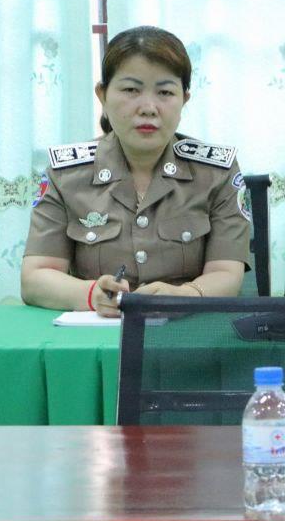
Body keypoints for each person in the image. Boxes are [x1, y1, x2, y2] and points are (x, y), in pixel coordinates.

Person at [21, 26, 251, 317]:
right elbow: (36, 277)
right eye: (131, 90)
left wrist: (184, 296)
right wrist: (92, 295)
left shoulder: (216, 173)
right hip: (95, 331)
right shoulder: (66, 174)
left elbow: (226, 273)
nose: (148, 108)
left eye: (165, 92)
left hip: (184, 330)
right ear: (103, 95)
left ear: (184, 100)